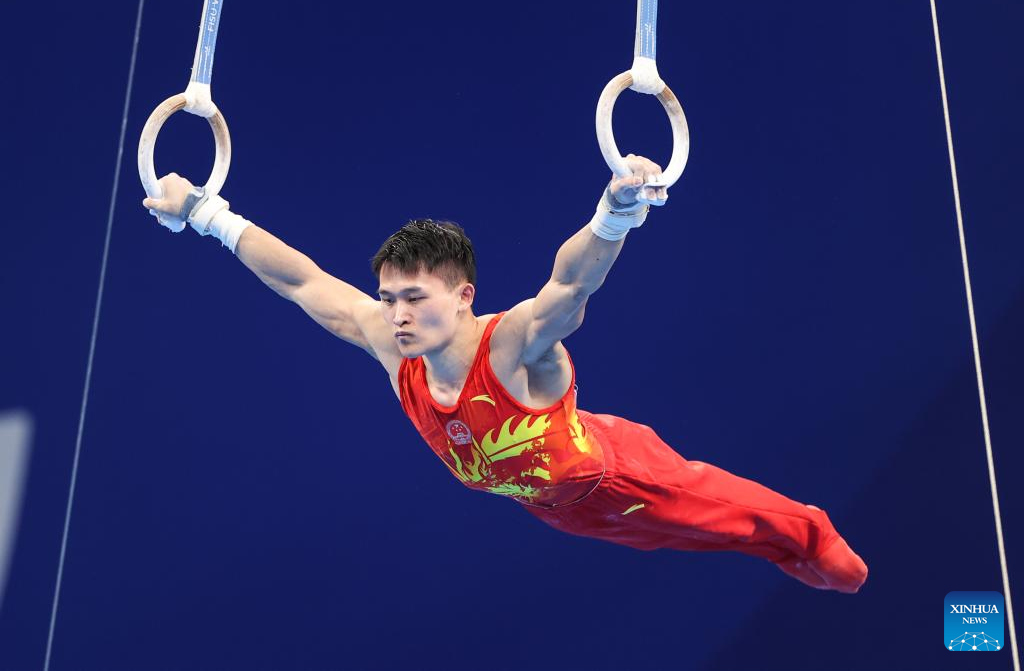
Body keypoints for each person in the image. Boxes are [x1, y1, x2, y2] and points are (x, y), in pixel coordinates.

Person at [142, 155, 868, 593]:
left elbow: (571, 285)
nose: (396, 314)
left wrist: (614, 215)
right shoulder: (393, 348)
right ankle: (787, 550)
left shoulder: (513, 346)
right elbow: (302, 281)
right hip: (558, 508)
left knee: (738, 521)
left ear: (463, 296)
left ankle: (812, 534)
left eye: (414, 298)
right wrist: (207, 214)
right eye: (389, 299)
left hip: (620, 473)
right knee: (699, 545)